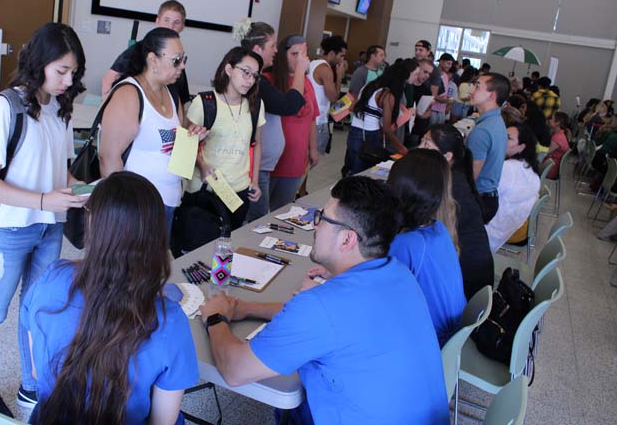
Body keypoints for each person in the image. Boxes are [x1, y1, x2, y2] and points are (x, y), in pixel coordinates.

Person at [199, 176, 450, 424]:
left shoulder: (321, 307)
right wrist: (246, 308)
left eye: (321, 218)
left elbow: (235, 370)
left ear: (347, 239)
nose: (314, 225)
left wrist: (215, 317)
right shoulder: (399, 274)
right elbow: (327, 321)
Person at [0, 23, 89, 416]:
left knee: (34, 309)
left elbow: (60, 172)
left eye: (73, 73)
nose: (68, 81)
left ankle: (31, 385)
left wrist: (85, 191)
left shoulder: (60, 109)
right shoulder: (5, 106)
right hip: (10, 231)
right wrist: (43, 199)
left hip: (49, 226)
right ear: (40, 64)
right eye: (62, 72)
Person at [22, 172, 198, 424]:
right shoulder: (168, 319)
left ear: (92, 223)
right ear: (156, 235)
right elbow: (163, 421)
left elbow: (39, 373)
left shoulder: (51, 279)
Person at [98, 27, 207, 235]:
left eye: (184, 59)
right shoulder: (129, 94)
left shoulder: (171, 92)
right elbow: (108, 158)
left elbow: (175, 144)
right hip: (137, 207)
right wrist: (124, 210)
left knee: (154, 265)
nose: (182, 66)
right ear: (153, 60)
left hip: (169, 200)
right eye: (176, 60)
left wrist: (192, 136)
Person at [387, 149, 467, 346]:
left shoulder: (406, 245)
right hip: (451, 336)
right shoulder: (438, 228)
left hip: (428, 343)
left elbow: (374, 293)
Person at [234, 19, 306, 222]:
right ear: (257, 48)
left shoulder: (260, 80)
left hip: (262, 166)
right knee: (255, 219)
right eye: (272, 46)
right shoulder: (257, 82)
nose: (276, 51)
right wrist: (300, 69)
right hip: (254, 167)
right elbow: (289, 105)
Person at [186, 47, 265, 229]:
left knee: (227, 246)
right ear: (229, 69)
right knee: (199, 247)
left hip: (239, 191)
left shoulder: (255, 105)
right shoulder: (205, 103)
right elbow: (185, 144)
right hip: (206, 189)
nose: (250, 80)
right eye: (246, 72)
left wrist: (254, 182)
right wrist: (202, 166)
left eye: (255, 76)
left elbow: (257, 144)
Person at [421, 125, 494, 300]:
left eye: (427, 144)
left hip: (466, 284)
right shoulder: (452, 176)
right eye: (422, 141)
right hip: (470, 273)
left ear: (447, 156)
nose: (419, 148)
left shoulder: (451, 187)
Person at [265, 34, 319, 211]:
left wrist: (313, 149)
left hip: (295, 161)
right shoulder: (268, 80)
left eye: (303, 55)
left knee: (281, 211)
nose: (300, 60)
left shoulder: (308, 83)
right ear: (282, 55)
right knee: (259, 215)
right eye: (295, 54)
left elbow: (312, 117)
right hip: (271, 161)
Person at [101, 0, 191, 104]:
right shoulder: (139, 49)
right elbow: (109, 78)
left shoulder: (178, 58)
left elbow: (181, 97)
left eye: (176, 22)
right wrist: (108, 107)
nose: (170, 26)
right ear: (157, 21)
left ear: (183, 26)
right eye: (166, 20)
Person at [345, 59, 421, 175]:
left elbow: (351, 108)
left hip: (354, 132)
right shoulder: (387, 95)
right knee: (365, 173)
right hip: (371, 136)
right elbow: (387, 129)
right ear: (403, 76)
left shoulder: (369, 86)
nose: (416, 77)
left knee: (354, 168)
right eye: (415, 74)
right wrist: (401, 147)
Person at [486, 124, 540, 252]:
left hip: (488, 234)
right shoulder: (532, 172)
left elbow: (481, 196)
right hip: (505, 232)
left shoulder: (508, 168)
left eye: (508, 138)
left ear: (521, 147)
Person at [467, 72, 510, 223]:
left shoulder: (482, 131)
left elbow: (469, 178)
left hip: (478, 201)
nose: (471, 91)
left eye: (477, 87)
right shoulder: (497, 121)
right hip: (488, 198)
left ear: (492, 96)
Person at [308, 35, 347, 155]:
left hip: (310, 118)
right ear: (331, 53)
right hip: (318, 122)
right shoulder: (325, 69)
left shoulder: (312, 63)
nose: (342, 60)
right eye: (341, 56)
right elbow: (334, 98)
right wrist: (339, 76)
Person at [429, 53, 455, 125]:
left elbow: (444, 93)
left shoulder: (446, 75)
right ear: (441, 62)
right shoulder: (434, 74)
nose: (450, 66)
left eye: (451, 64)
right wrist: (446, 101)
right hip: (432, 109)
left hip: (442, 110)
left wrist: (449, 98)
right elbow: (433, 95)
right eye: (448, 63)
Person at [544, 111, 570, 179]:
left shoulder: (558, 138)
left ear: (557, 123)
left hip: (550, 169)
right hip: (552, 165)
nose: (549, 120)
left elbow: (545, 154)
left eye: (552, 119)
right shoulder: (560, 134)